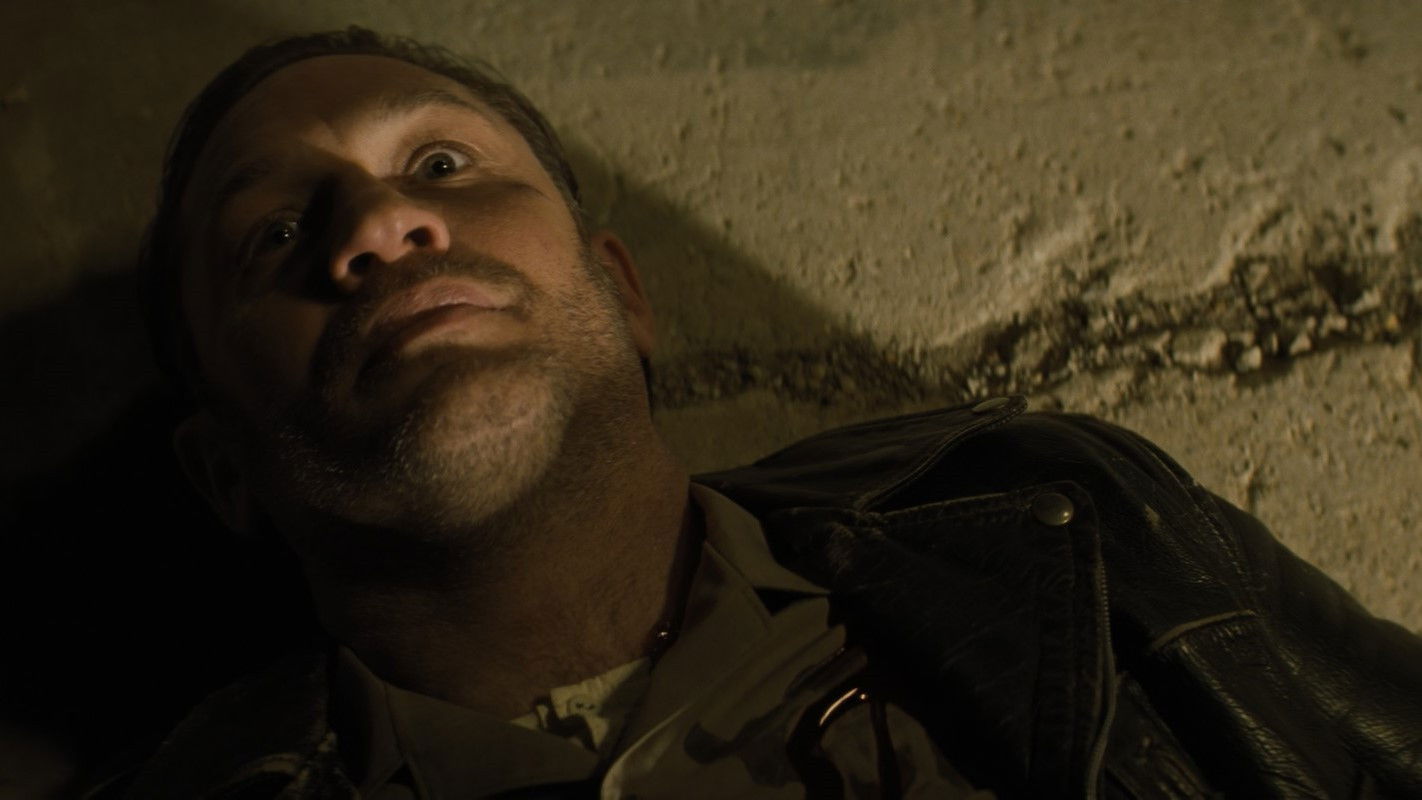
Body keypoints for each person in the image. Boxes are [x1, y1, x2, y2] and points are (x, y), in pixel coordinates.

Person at [97, 25, 1422, 800]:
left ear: (621, 293)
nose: (384, 223)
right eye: (276, 233)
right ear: (222, 473)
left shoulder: (1065, 518)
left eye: (440, 162)